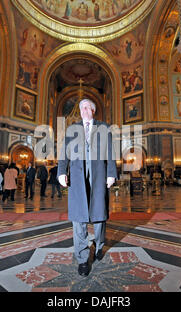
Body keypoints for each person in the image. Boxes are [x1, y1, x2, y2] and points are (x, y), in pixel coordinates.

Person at [58, 98, 117, 276]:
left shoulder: (104, 127)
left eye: (86, 107)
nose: (83, 110)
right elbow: (64, 151)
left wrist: (111, 173)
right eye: (81, 107)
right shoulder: (72, 129)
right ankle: (82, 258)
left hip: (99, 174)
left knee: (99, 215)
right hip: (77, 175)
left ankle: (99, 246)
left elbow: (110, 152)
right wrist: (61, 171)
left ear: (93, 110)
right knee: (78, 216)